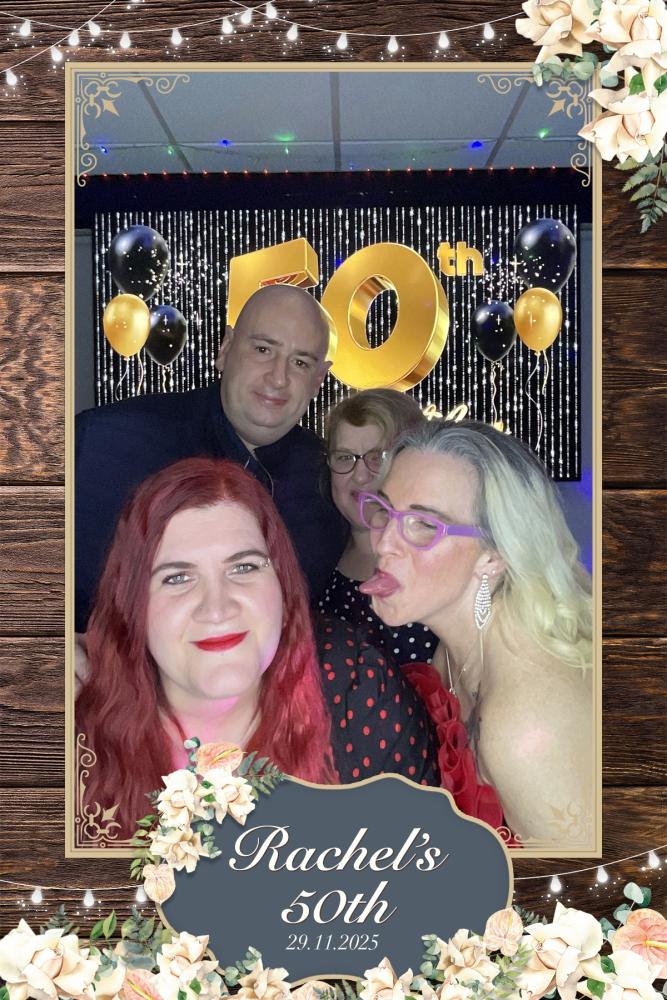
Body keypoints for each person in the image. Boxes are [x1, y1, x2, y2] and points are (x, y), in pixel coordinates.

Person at [76, 458, 439, 837]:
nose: (217, 608)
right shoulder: (76, 735)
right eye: (178, 577)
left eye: (244, 567)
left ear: (283, 585)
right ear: (132, 605)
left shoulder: (352, 685)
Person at [359, 420, 594, 847]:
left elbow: (592, 885)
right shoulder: (453, 649)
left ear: (493, 556)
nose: (382, 543)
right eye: (384, 510)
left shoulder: (525, 729)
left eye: (423, 524)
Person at [75, 284, 348, 631]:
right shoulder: (105, 442)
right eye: (263, 349)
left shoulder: (332, 480)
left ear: (319, 379)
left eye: (300, 362)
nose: (279, 378)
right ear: (225, 348)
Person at [318, 390, 438, 665]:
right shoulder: (313, 556)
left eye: (378, 457)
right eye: (345, 457)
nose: (361, 476)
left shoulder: (438, 561)